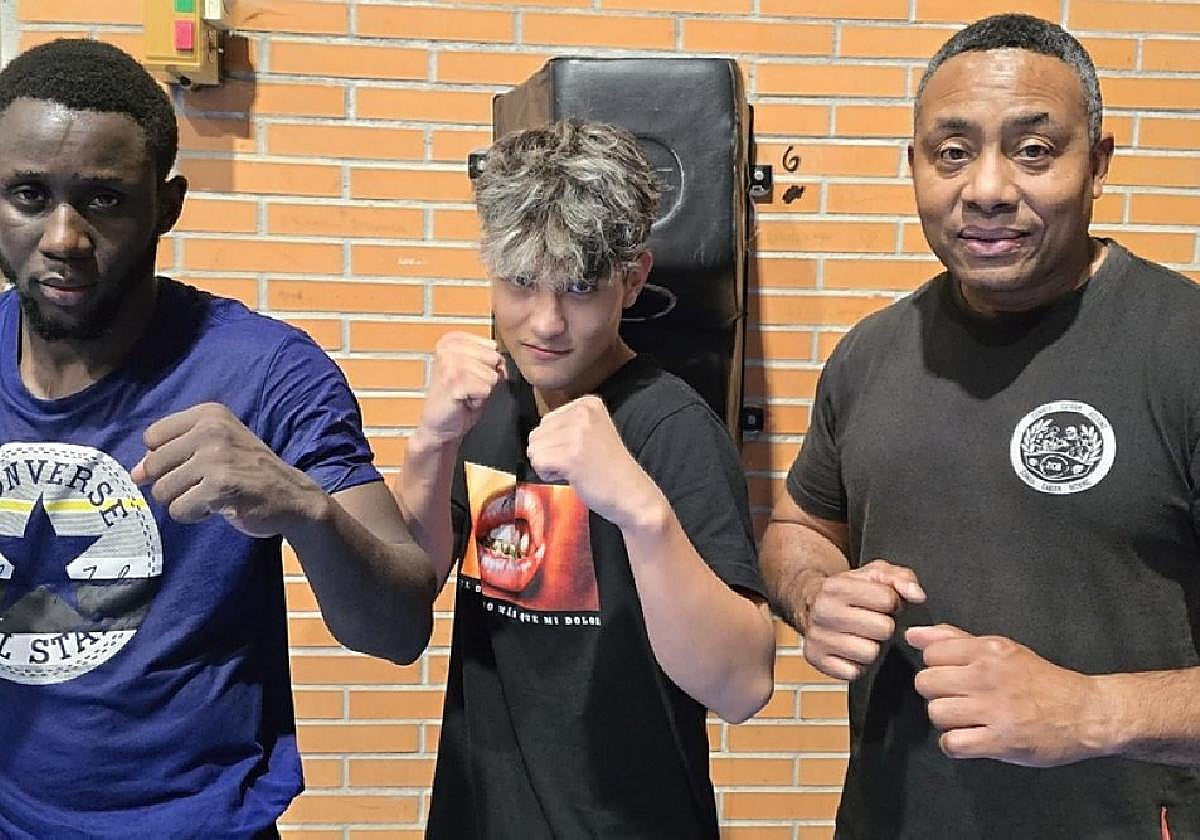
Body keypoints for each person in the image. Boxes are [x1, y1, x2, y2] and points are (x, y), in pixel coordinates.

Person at [761, 13, 1200, 839]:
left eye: (1033, 150)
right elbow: (799, 528)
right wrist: (816, 592)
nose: (988, 188)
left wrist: (1095, 710)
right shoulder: (871, 352)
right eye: (953, 152)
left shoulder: (1181, 348)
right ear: (915, 166)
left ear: (1099, 163)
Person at [0, 39, 435, 838]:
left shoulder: (266, 372)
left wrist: (306, 509)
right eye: (30, 195)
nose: (63, 236)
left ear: (166, 207)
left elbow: (399, 630)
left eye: (103, 200)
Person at [395, 119, 775, 838]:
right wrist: (428, 444)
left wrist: (642, 513)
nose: (545, 322)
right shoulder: (488, 407)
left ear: (631, 280)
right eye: (520, 282)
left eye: (578, 286)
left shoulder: (672, 430)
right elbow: (405, 593)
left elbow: (742, 686)